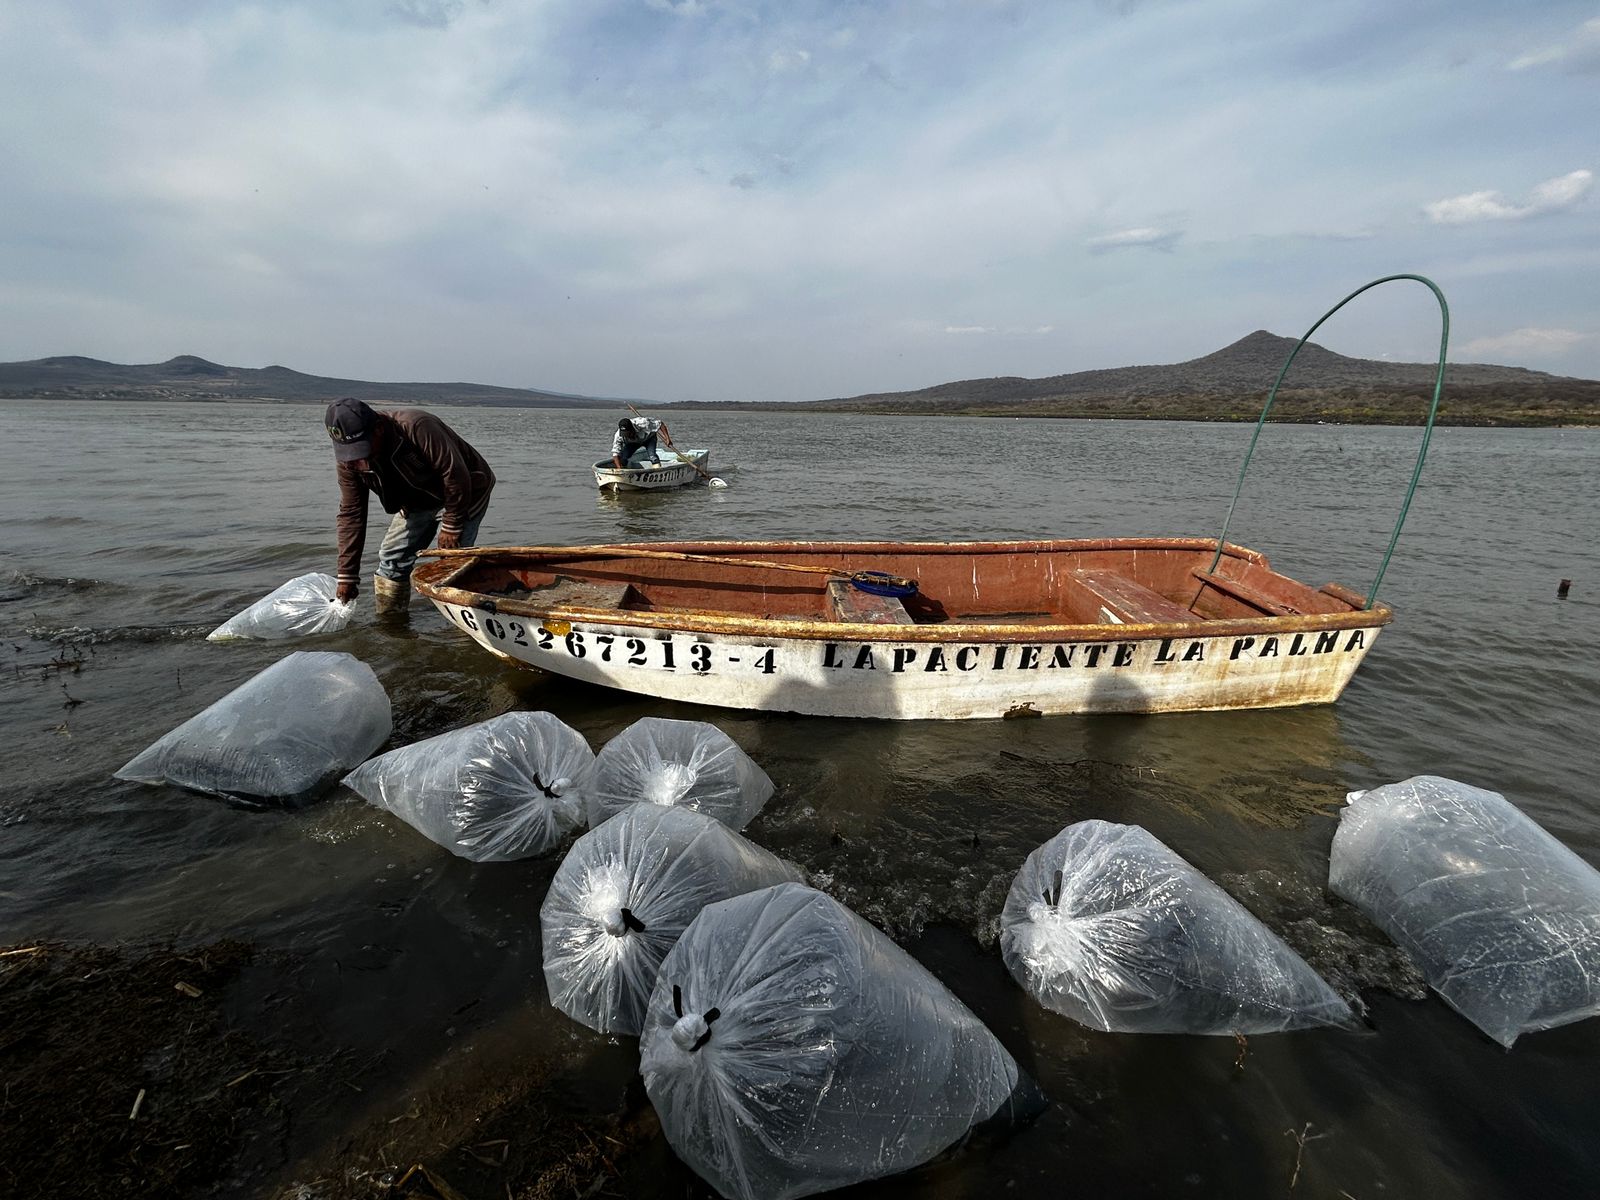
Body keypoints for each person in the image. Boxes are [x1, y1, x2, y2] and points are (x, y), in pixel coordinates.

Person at [325, 397, 495, 613]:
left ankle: (462, 626)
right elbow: (351, 514)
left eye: (362, 449)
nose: (359, 461)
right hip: (416, 498)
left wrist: (451, 524)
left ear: (378, 429)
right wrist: (347, 576)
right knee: (392, 558)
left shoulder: (417, 426)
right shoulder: (349, 462)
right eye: (350, 453)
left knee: (452, 559)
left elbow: (455, 475)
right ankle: (391, 623)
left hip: (467, 489)